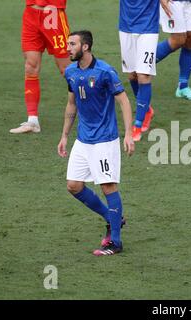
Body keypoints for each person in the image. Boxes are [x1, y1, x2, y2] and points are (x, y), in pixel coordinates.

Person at [57, 30, 135, 256]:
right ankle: (113, 218)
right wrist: (64, 136)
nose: (68, 48)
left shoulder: (105, 72)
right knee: (73, 185)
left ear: (86, 47)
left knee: (108, 186)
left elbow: (124, 101)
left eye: (72, 44)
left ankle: (116, 243)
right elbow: (71, 104)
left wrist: (129, 133)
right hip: (83, 140)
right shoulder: (70, 71)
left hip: (104, 141)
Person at [11, 0, 71, 134]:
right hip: (31, 13)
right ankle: (33, 121)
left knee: (67, 69)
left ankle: (94, 105)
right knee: (30, 66)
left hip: (53, 13)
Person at [119, 0, 169, 142]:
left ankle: (138, 125)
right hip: (126, 25)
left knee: (144, 76)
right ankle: (147, 109)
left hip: (148, 27)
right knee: (132, 75)